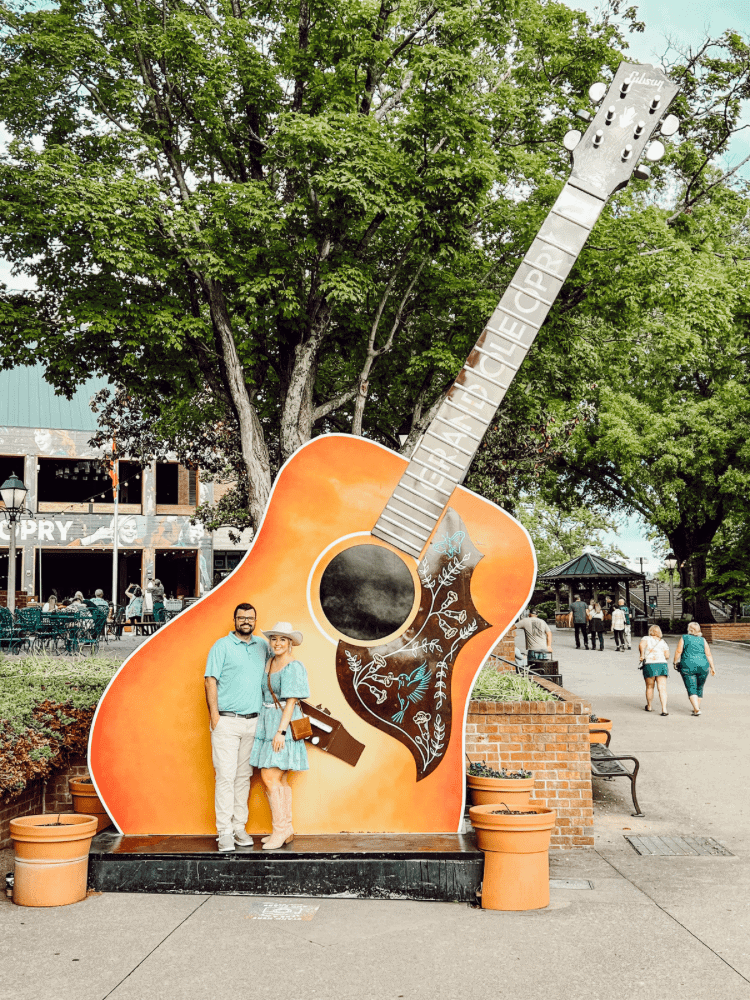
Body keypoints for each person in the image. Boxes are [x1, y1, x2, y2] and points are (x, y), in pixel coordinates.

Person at [204, 603, 270, 852]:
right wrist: (215, 717)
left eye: (250, 618)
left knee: (243, 778)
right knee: (225, 776)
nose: (246, 621)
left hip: (253, 722)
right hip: (226, 721)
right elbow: (210, 680)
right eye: (241, 617)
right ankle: (224, 832)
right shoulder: (222, 646)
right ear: (234, 620)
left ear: (255, 620)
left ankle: (239, 827)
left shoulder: (263, 646)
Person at [249, 621, 310, 851]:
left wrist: (281, 732)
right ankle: (286, 828)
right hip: (267, 721)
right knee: (279, 779)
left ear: (290, 643)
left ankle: (280, 829)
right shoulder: (270, 662)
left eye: (282, 639)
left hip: (281, 722)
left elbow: (292, 701)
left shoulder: (293, 666)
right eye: (274, 639)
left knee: (269, 777)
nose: (277, 643)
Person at [673, 622, 716, 716]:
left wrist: (675, 661)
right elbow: (708, 654)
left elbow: (679, 651)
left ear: (690, 629)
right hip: (703, 666)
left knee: (691, 687)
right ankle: (696, 706)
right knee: (699, 687)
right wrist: (712, 667)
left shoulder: (684, 638)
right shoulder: (703, 640)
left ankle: (696, 709)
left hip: (688, 666)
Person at [639, 624, 670, 715]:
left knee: (649, 686)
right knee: (662, 688)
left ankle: (649, 706)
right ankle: (664, 709)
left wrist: (642, 655)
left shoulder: (646, 638)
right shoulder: (663, 642)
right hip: (662, 664)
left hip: (650, 664)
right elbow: (667, 656)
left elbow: (641, 645)